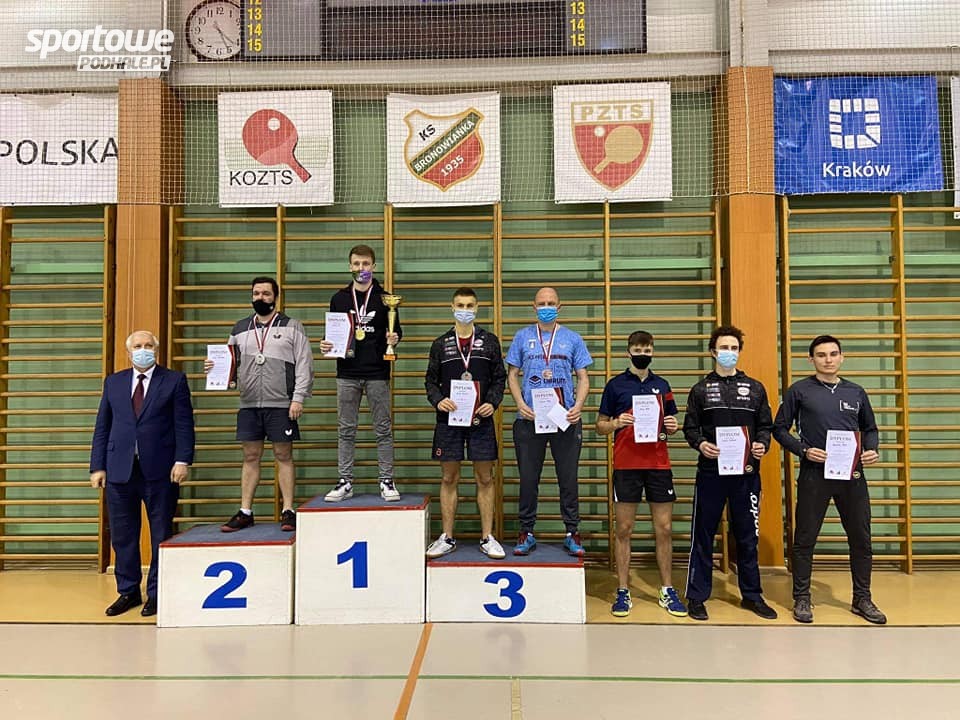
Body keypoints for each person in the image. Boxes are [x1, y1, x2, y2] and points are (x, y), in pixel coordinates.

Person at [773, 334, 886, 625]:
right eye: (821, 355)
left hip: (851, 474)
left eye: (833, 354)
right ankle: (802, 597)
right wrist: (804, 450)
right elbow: (780, 429)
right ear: (811, 359)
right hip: (815, 474)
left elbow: (870, 429)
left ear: (842, 357)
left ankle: (862, 598)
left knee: (861, 538)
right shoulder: (799, 391)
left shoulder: (856, 392)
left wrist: (871, 449)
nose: (828, 359)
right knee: (805, 538)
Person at [90, 330, 195, 617]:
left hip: (161, 470)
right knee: (123, 535)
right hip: (119, 470)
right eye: (138, 346)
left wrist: (182, 460)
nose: (143, 349)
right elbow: (103, 426)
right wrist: (97, 466)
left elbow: (184, 424)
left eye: (148, 345)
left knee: (161, 532)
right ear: (129, 352)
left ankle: (156, 593)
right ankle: (128, 591)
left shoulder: (174, 380)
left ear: (156, 350)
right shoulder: (113, 382)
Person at [682, 326, 777, 621]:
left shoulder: (755, 388)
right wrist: (701, 444)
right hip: (711, 473)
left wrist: (762, 444)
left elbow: (766, 426)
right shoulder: (700, 390)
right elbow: (690, 428)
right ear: (713, 352)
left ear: (740, 351)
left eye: (734, 348)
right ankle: (697, 596)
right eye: (724, 348)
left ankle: (752, 595)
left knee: (748, 537)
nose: (729, 353)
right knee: (703, 535)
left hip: (746, 475)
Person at [208, 277, 313, 533]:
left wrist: (298, 397)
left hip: (282, 403)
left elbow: (304, 364)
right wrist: (216, 371)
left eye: (266, 293)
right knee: (251, 456)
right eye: (256, 293)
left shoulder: (292, 326)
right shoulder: (239, 328)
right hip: (249, 404)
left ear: (275, 297)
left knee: (283, 455)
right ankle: (245, 511)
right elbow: (231, 364)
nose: (261, 297)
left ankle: (288, 510)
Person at [596, 331, 687, 617]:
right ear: (629, 352)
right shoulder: (615, 386)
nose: (643, 354)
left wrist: (673, 426)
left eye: (647, 350)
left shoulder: (662, 385)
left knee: (665, 529)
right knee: (624, 529)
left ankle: (667, 589)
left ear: (652, 352)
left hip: (658, 465)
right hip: (626, 466)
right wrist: (616, 422)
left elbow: (671, 423)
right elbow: (600, 426)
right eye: (638, 350)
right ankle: (623, 590)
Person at [506, 287, 591, 557]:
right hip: (529, 419)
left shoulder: (572, 338)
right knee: (528, 479)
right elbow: (512, 374)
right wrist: (520, 404)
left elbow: (583, 377)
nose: (546, 307)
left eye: (551, 303)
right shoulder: (522, 336)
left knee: (568, 479)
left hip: (564, 419)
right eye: (541, 303)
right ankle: (526, 531)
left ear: (559, 307)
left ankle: (572, 532)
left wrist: (578, 406)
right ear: (534, 307)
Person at [424, 288, 507, 558]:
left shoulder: (489, 342)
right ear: (452, 307)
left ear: (477, 308)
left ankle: (487, 536)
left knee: (485, 478)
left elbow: (499, 378)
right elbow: (430, 381)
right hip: (449, 421)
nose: (465, 310)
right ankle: (447, 536)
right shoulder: (440, 344)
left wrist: (492, 402)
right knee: (449, 477)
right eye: (460, 305)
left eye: (469, 305)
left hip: (481, 420)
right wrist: (438, 400)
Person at [320, 244, 402, 502]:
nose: (361, 268)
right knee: (346, 429)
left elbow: (396, 332)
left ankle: (387, 480)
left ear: (374, 266)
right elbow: (334, 333)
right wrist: (326, 344)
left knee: (383, 429)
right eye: (356, 264)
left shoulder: (385, 298)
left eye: (366, 264)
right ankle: (345, 481)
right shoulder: (339, 298)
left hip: (377, 372)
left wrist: (394, 338)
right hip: (347, 372)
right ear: (350, 266)